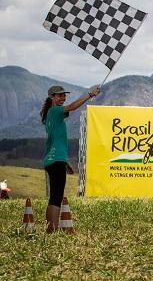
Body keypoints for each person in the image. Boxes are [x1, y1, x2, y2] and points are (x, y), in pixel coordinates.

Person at [40, 85, 100, 233]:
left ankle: (50, 228)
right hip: (56, 160)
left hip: (53, 160)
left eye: (64, 95)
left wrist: (64, 162)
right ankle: (52, 230)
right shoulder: (54, 111)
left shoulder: (50, 113)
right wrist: (90, 95)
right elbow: (72, 107)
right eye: (59, 96)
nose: (63, 98)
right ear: (52, 97)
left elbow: (55, 141)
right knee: (56, 197)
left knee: (54, 196)